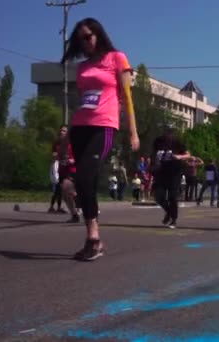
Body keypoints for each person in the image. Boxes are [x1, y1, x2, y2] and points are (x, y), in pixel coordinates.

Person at [62, 17, 139, 261]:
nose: (85, 42)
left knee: (85, 175)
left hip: (104, 126)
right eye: (80, 39)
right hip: (80, 127)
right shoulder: (82, 68)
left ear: (98, 34)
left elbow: (127, 98)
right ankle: (92, 238)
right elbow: (80, 103)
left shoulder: (117, 58)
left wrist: (133, 132)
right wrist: (65, 140)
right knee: (86, 182)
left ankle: (94, 237)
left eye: (88, 36)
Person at [152, 125, 191, 228]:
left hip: (174, 172)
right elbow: (155, 155)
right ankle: (169, 212)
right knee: (158, 196)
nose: (167, 134)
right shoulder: (158, 141)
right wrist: (154, 165)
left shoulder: (177, 142)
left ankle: (173, 220)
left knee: (173, 196)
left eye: (169, 132)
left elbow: (188, 155)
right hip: (161, 172)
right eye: (166, 131)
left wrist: (179, 156)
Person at [48, 125, 68, 214]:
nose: (62, 132)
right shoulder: (57, 142)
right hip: (57, 165)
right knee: (58, 186)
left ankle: (58, 207)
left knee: (60, 188)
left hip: (64, 165)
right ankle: (52, 207)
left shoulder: (68, 143)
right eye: (61, 131)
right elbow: (54, 153)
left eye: (64, 131)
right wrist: (55, 156)